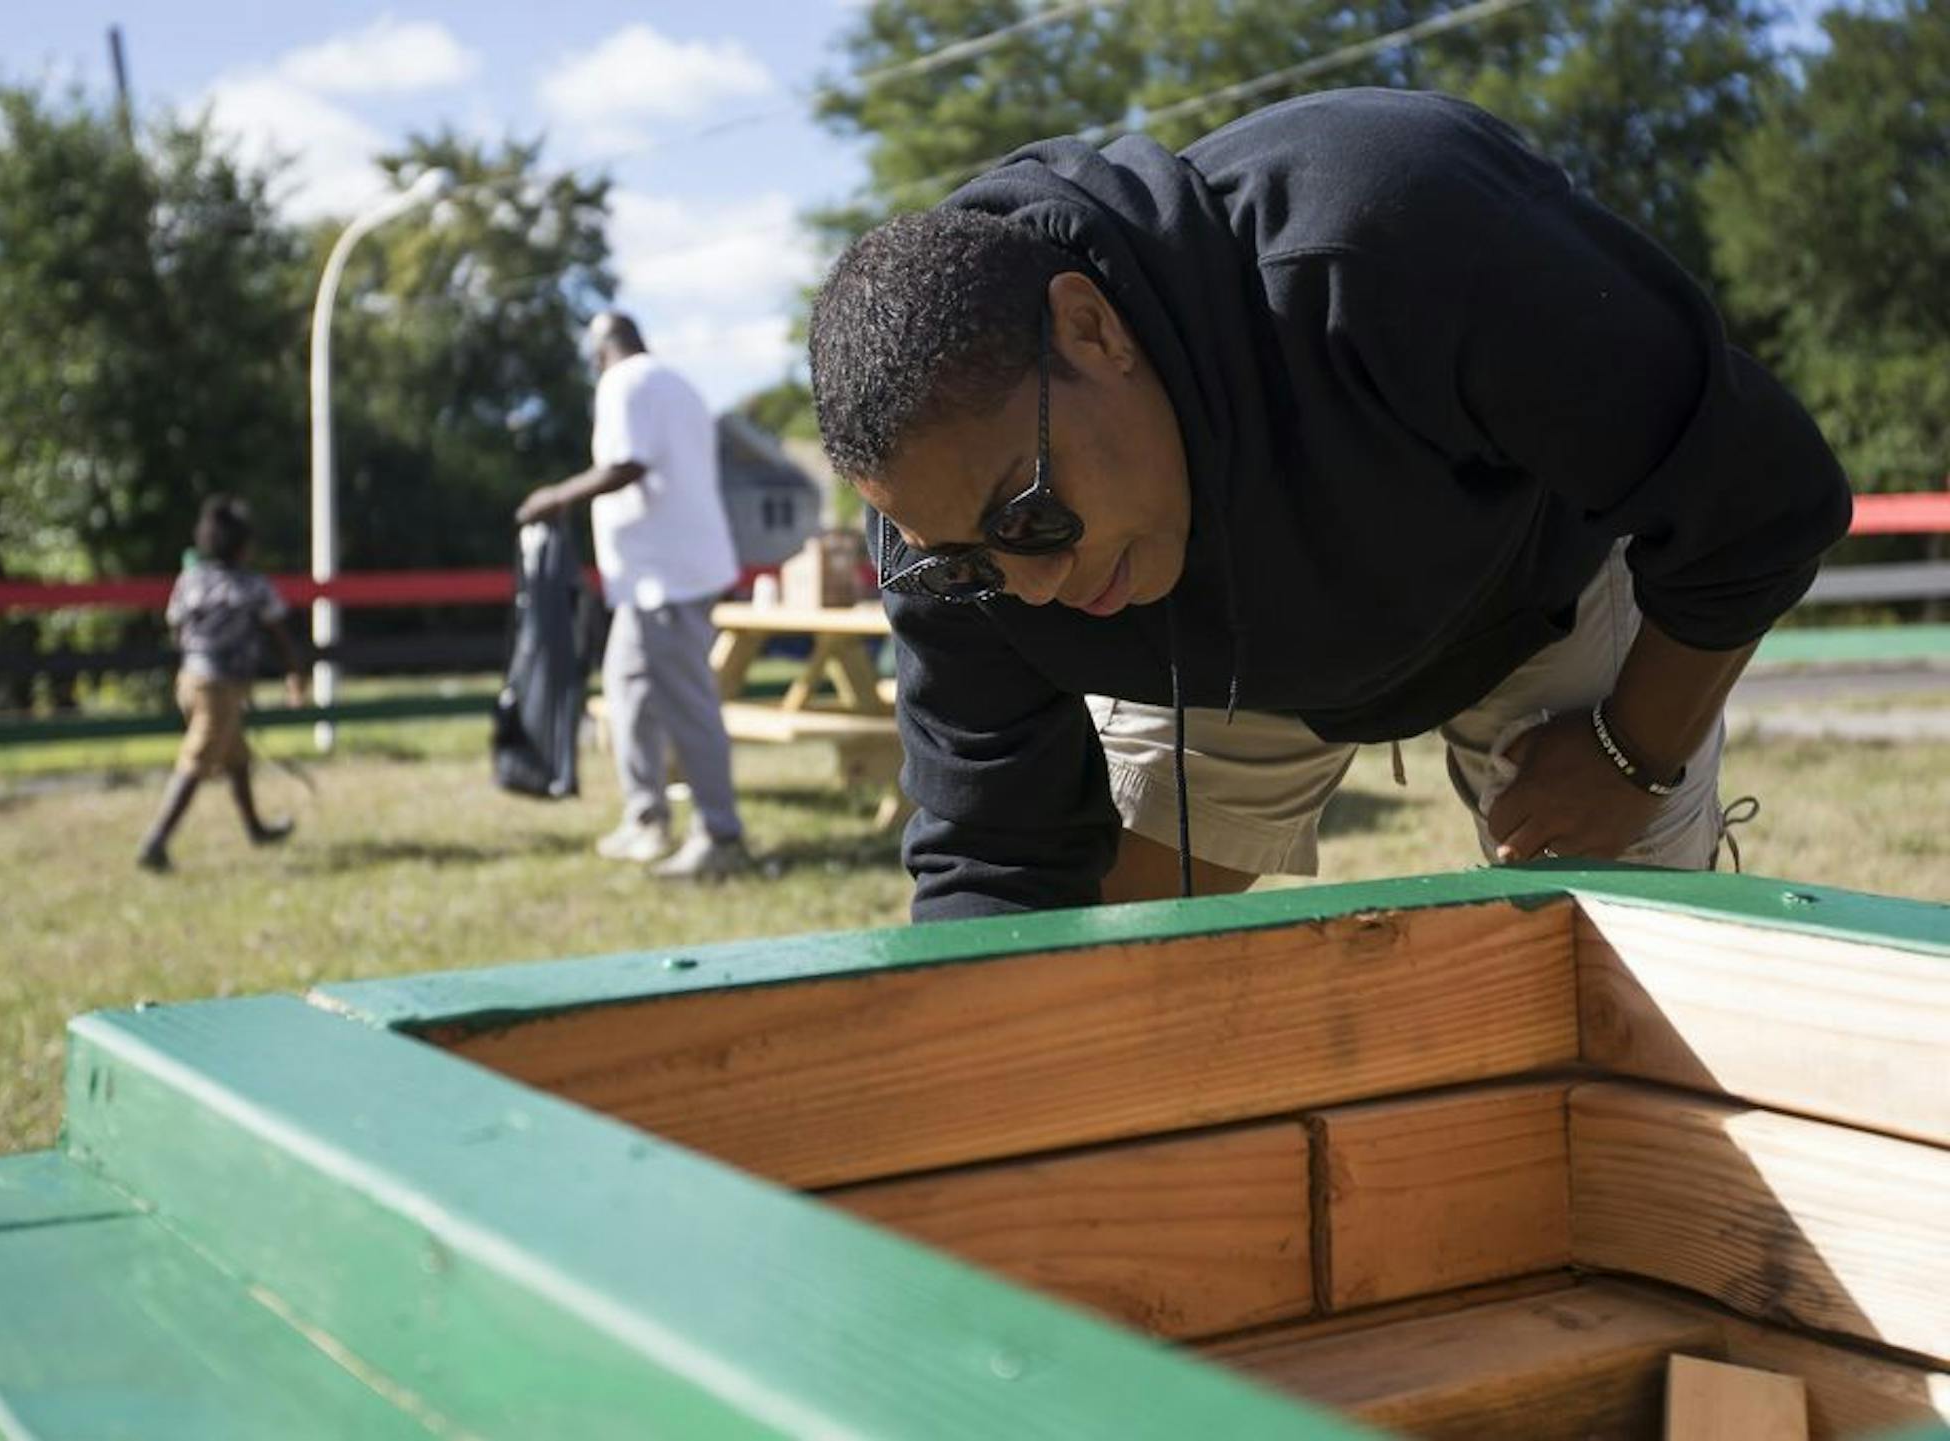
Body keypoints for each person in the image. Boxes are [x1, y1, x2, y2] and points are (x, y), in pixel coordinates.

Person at [806, 88, 1851, 922]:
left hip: (1531, 582)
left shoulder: (1399, 234)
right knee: (1100, 948)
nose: (1028, 585)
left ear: (1092, 332)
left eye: (1031, 514)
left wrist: (1636, 755)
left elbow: (1762, 496)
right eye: (971, 567)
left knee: (1644, 960)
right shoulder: (945, 528)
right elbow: (996, 864)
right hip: (1233, 665)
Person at [517, 311, 752, 880]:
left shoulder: (625, 383)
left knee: (686, 703)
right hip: (662, 575)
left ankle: (720, 834)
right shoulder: (680, 385)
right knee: (628, 693)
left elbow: (626, 465)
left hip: (663, 579)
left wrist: (556, 496)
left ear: (600, 352)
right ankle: (646, 818)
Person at [136, 494, 307, 872]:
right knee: (197, 758)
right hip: (221, 685)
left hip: (190, 680)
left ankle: (256, 829)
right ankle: (156, 840)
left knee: (237, 757)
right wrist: (294, 673)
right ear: (244, 546)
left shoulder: (191, 579)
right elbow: (279, 635)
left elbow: (176, 625)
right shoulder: (252, 586)